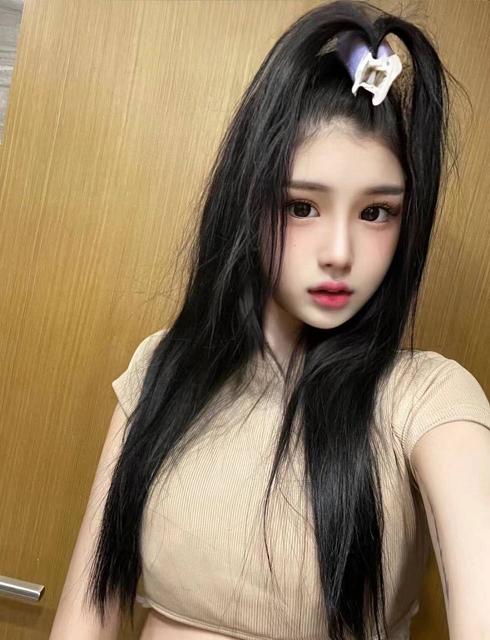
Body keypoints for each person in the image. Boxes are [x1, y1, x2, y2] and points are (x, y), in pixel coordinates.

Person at [50, 1, 490, 639]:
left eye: (376, 213)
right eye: (301, 206)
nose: (339, 253)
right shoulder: (163, 367)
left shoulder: (427, 398)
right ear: (248, 200)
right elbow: (88, 611)